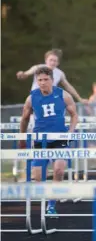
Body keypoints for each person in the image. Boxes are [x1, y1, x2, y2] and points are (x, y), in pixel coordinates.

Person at [19, 66, 78, 216]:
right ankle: (47, 198)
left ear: (52, 80)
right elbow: (24, 119)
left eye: (46, 80)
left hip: (59, 138)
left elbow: (74, 115)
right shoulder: (32, 98)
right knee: (38, 177)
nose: (43, 83)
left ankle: (51, 205)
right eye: (40, 80)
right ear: (36, 81)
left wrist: (70, 132)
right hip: (40, 139)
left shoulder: (63, 95)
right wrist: (22, 137)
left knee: (58, 170)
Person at [16, 49, 88, 104]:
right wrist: (22, 74)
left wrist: (79, 99)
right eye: (51, 60)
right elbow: (26, 74)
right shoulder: (37, 68)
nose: (52, 62)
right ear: (46, 60)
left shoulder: (59, 73)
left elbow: (68, 87)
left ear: (58, 63)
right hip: (36, 99)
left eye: (55, 61)